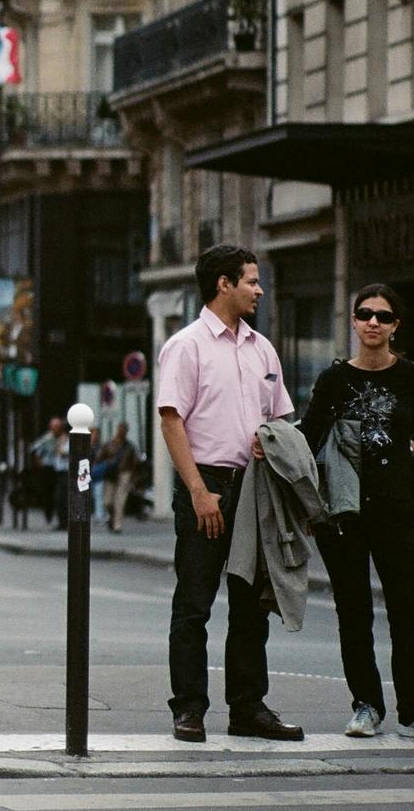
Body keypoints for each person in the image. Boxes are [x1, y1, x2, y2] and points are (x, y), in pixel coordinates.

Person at [157, 244, 302, 743]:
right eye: (251, 281)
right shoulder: (187, 345)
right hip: (208, 486)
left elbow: (281, 418)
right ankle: (190, 709)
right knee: (194, 604)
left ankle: (247, 708)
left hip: (254, 491)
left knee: (249, 605)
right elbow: (171, 419)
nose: (259, 290)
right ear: (224, 284)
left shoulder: (263, 348)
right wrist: (198, 491)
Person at [297, 284, 414, 741]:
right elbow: (310, 435)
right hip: (345, 514)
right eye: (364, 314)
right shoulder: (335, 379)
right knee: (353, 612)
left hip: (399, 511)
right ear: (354, 322)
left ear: (396, 325)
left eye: (383, 315)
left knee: (407, 610)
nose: (373, 322)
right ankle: (366, 706)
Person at [96, 421, 142, 532]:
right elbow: (99, 457)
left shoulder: (130, 447)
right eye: (120, 429)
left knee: (120, 500)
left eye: (124, 430)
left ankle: (117, 524)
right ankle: (112, 517)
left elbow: (135, 463)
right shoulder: (109, 444)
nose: (122, 432)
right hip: (111, 474)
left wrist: (134, 478)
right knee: (107, 501)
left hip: (124, 473)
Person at [30, 417, 70, 529]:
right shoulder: (48, 438)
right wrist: (39, 461)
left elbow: (64, 452)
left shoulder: (66, 439)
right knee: (50, 493)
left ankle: (64, 522)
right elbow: (35, 448)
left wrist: (60, 445)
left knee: (62, 496)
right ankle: (54, 517)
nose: (53, 430)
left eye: (56, 428)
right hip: (50, 469)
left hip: (63, 470)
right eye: (52, 428)